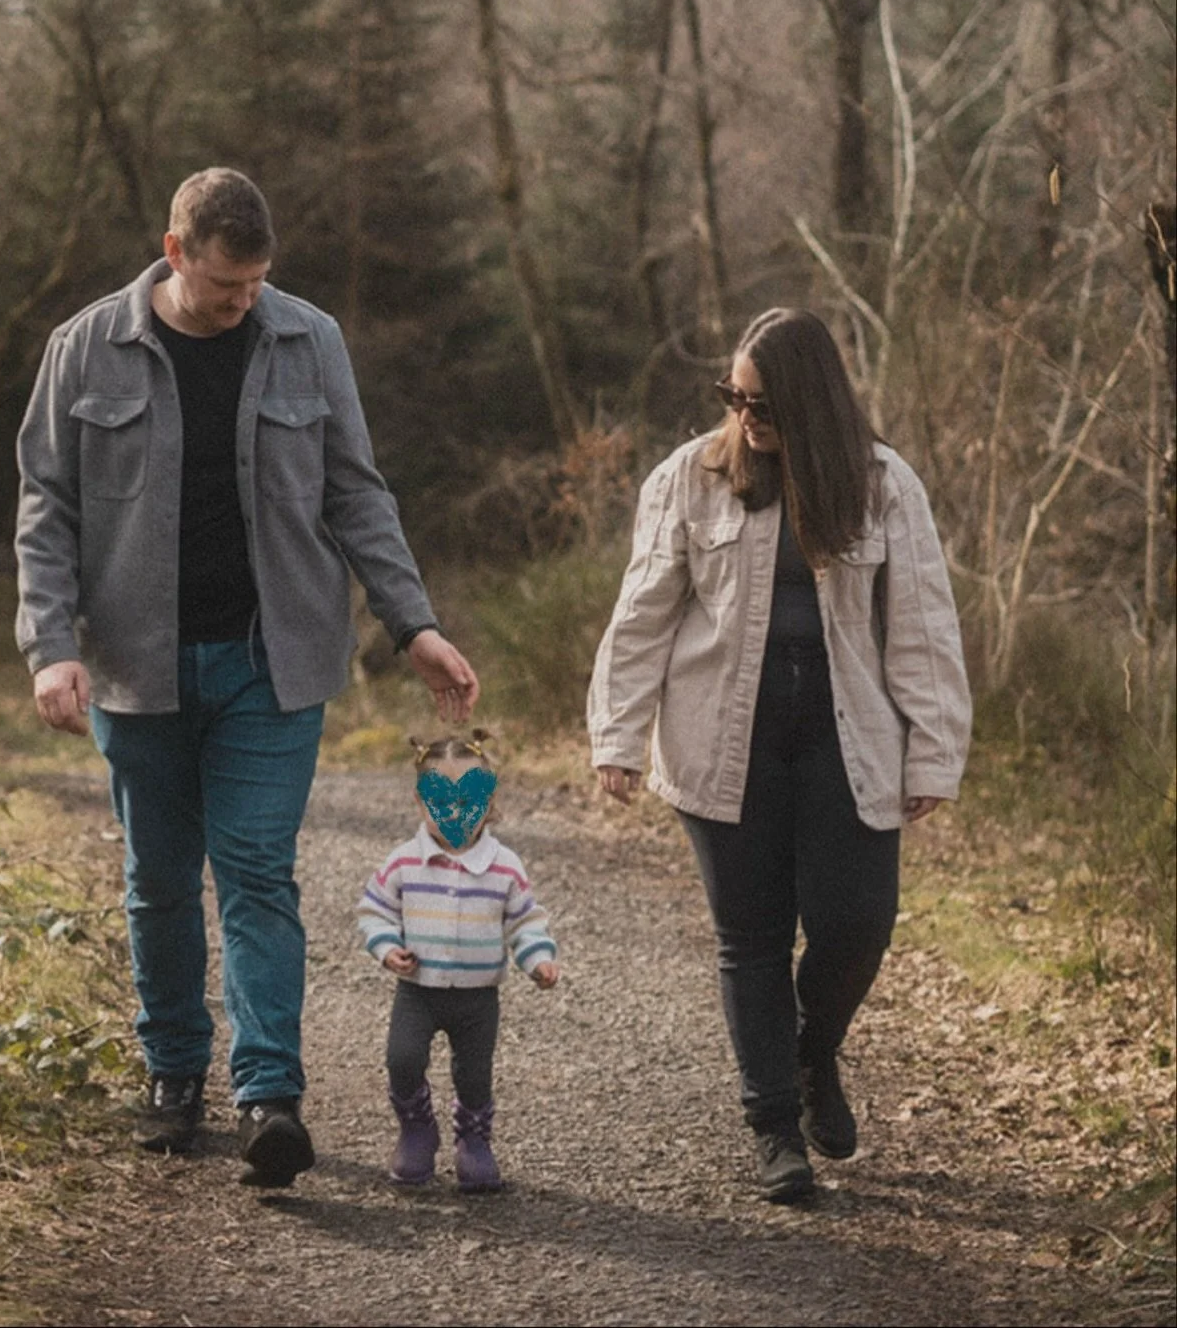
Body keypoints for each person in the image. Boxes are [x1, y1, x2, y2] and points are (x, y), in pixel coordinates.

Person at [14, 167, 479, 1188]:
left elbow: (358, 493)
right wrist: (50, 644)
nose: (244, 303)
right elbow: (47, 509)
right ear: (175, 254)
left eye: (258, 282)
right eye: (226, 285)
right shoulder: (85, 348)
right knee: (160, 883)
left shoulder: (307, 339)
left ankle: (270, 1091)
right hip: (137, 669)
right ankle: (175, 1073)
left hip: (275, 664)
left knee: (259, 873)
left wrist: (416, 626)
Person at [587, 308, 970, 1204]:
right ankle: (772, 1128)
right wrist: (618, 738)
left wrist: (932, 754)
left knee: (856, 924)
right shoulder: (692, 476)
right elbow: (642, 615)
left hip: (850, 735)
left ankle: (811, 1054)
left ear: (807, 399)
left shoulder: (883, 485)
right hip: (722, 736)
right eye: (732, 396)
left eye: (759, 401)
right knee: (750, 938)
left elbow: (921, 627)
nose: (743, 414)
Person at [357, 731, 559, 1192]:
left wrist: (538, 959)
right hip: (418, 991)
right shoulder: (404, 861)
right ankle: (416, 1129)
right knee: (402, 1059)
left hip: (478, 998)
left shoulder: (504, 865)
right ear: (420, 801)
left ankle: (474, 1141)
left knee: (474, 1074)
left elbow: (525, 921)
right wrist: (388, 948)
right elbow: (375, 909)